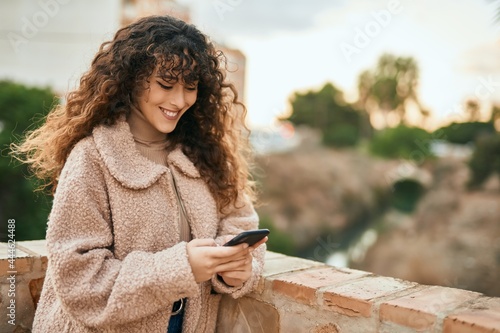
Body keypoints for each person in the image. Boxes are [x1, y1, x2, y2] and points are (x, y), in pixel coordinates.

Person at [13, 15, 267, 333]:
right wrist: (180, 267)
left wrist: (237, 268)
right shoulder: (92, 157)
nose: (179, 100)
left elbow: (240, 220)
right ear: (132, 79)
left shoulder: (207, 154)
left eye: (190, 88)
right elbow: (78, 278)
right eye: (165, 85)